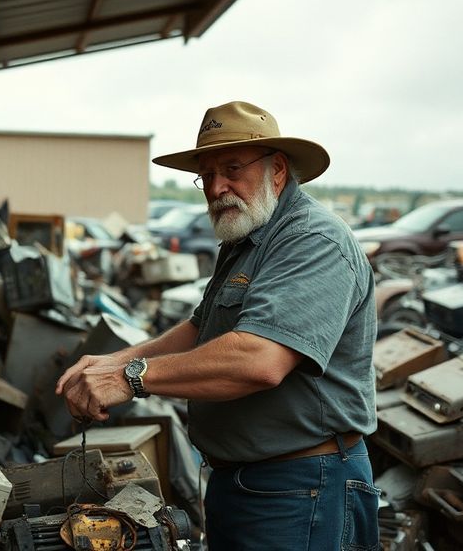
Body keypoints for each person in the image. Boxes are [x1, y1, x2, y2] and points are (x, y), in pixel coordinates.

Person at [56, 101, 379, 550]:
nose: (216, 187)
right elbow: (200, 329)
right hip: (244, 484)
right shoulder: (246, 238)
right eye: (206, 174)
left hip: (304, 488)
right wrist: (118, 358)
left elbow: (259, 359)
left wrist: (132, 378)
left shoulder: (313, 241)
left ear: (278, 170)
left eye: (231, 168)